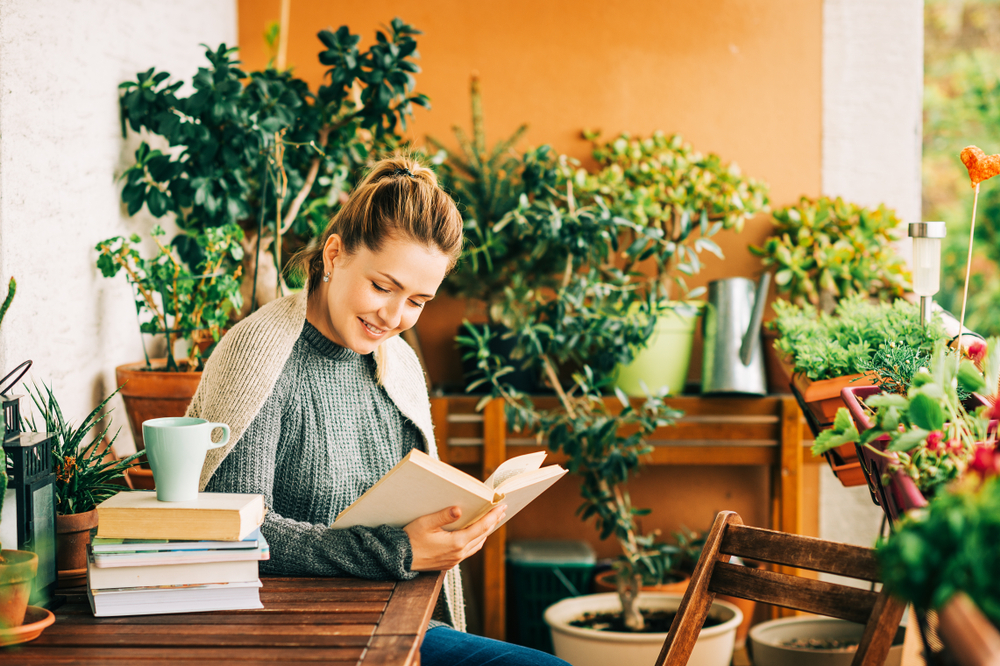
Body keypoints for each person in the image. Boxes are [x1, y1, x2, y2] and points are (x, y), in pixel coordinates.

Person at [186, 155, 570, 666]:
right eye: (382, 287)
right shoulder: (260, 353)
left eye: (417, 301)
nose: (394, 316)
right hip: (296, 630)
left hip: (398, 619)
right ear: (333, 254)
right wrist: (398, 552)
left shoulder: (397, 362)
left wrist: (456, 522)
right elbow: (237, 530)